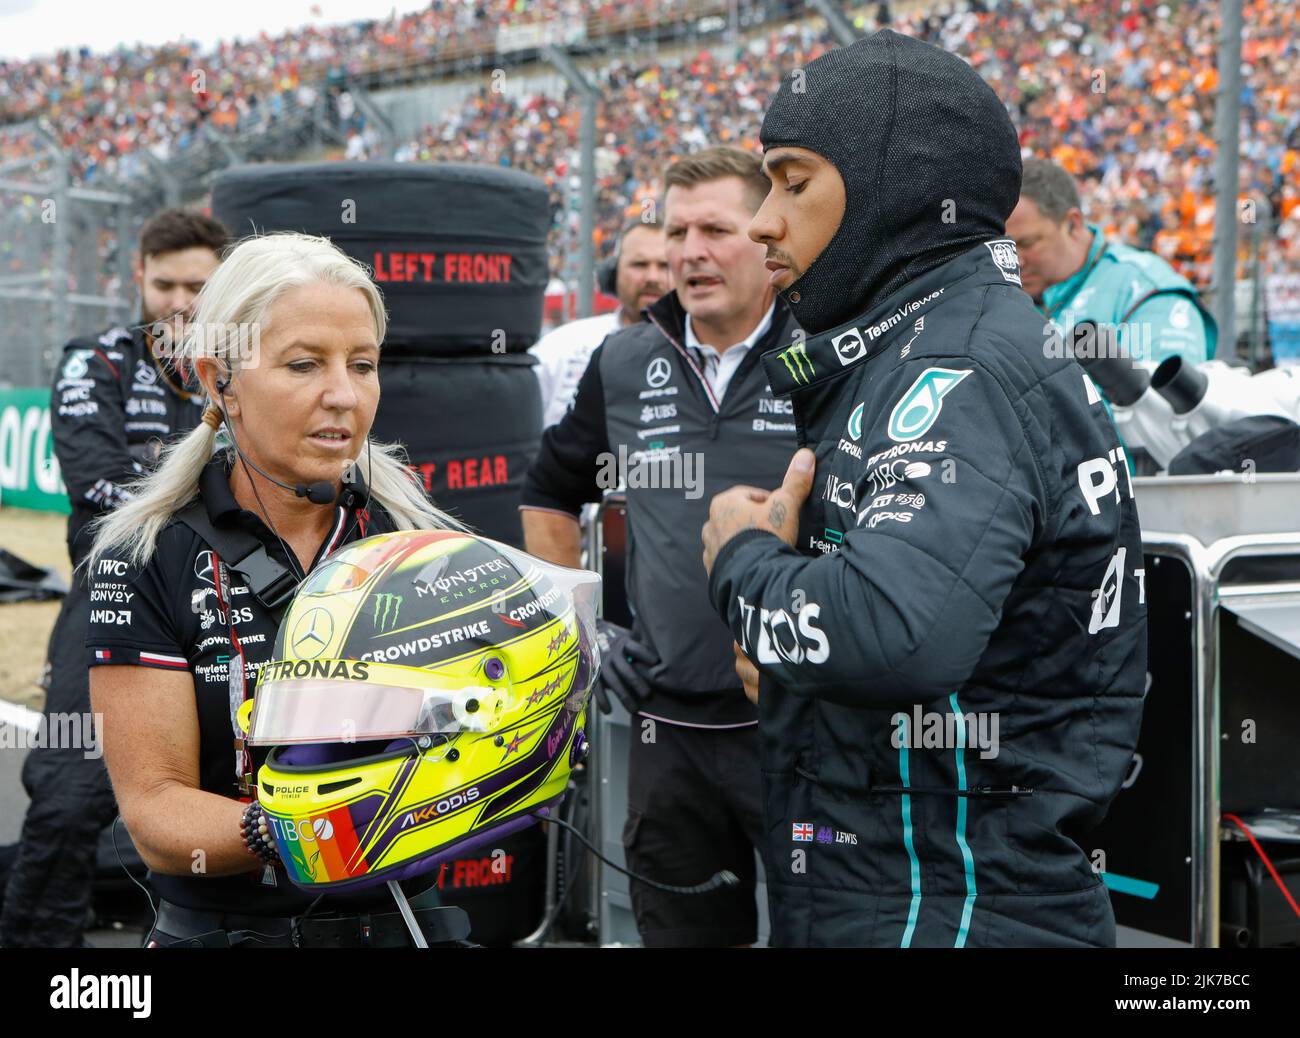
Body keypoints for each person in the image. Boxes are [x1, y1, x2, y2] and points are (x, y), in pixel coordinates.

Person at [700, 31, 1147, 947]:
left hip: (950, 905)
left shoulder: (960, 364)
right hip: (909, 881)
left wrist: (741, 568)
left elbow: (892, 634)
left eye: (793, 180)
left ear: (894, 191)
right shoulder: (920, 343)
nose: (761, 223)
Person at [82, 232, 463, 947]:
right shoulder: (143, 554)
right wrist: (309, 826)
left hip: (405, 926)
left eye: (362, 365)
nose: (343, 395)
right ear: (217, 378)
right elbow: (157, 817)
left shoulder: (418, 542)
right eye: (303, 364)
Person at [521, 145, 801, 947]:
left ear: (767, 236)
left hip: (800, 725)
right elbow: (548, 490)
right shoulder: (626, 357)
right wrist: (581, 628)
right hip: (665, 731)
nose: (690, 251)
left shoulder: (829, 348)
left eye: (715, 228)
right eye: (677, 231)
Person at [1, 208, 229, 949]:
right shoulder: (94, 361)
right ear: (138, 278)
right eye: (163, 284)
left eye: (197, 285)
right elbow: (97, 484)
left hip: (235, 601)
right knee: (67, 803)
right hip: (117, 600)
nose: (179, 302)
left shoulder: (253, 360)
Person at [1006, 157, 1216, 368]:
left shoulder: (1146, 289)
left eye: (1027, 243)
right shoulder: (1000, 293)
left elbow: (1165, 397)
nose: (1014, 261)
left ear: (1073, 223)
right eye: (1005, 247)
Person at [531, 216, 669, 428]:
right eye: (639, 264)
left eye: (664, 265)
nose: (652, 276)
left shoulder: (709, 354)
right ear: (612, 273)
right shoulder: (561, 348)